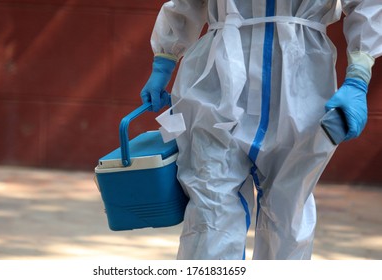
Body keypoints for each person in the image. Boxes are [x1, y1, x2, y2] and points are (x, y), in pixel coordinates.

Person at [140, 0, 382, 260]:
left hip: (300, 85)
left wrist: (358, 75)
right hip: (217, 85)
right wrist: (164, 60)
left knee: (289, 214)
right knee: (210, 208)